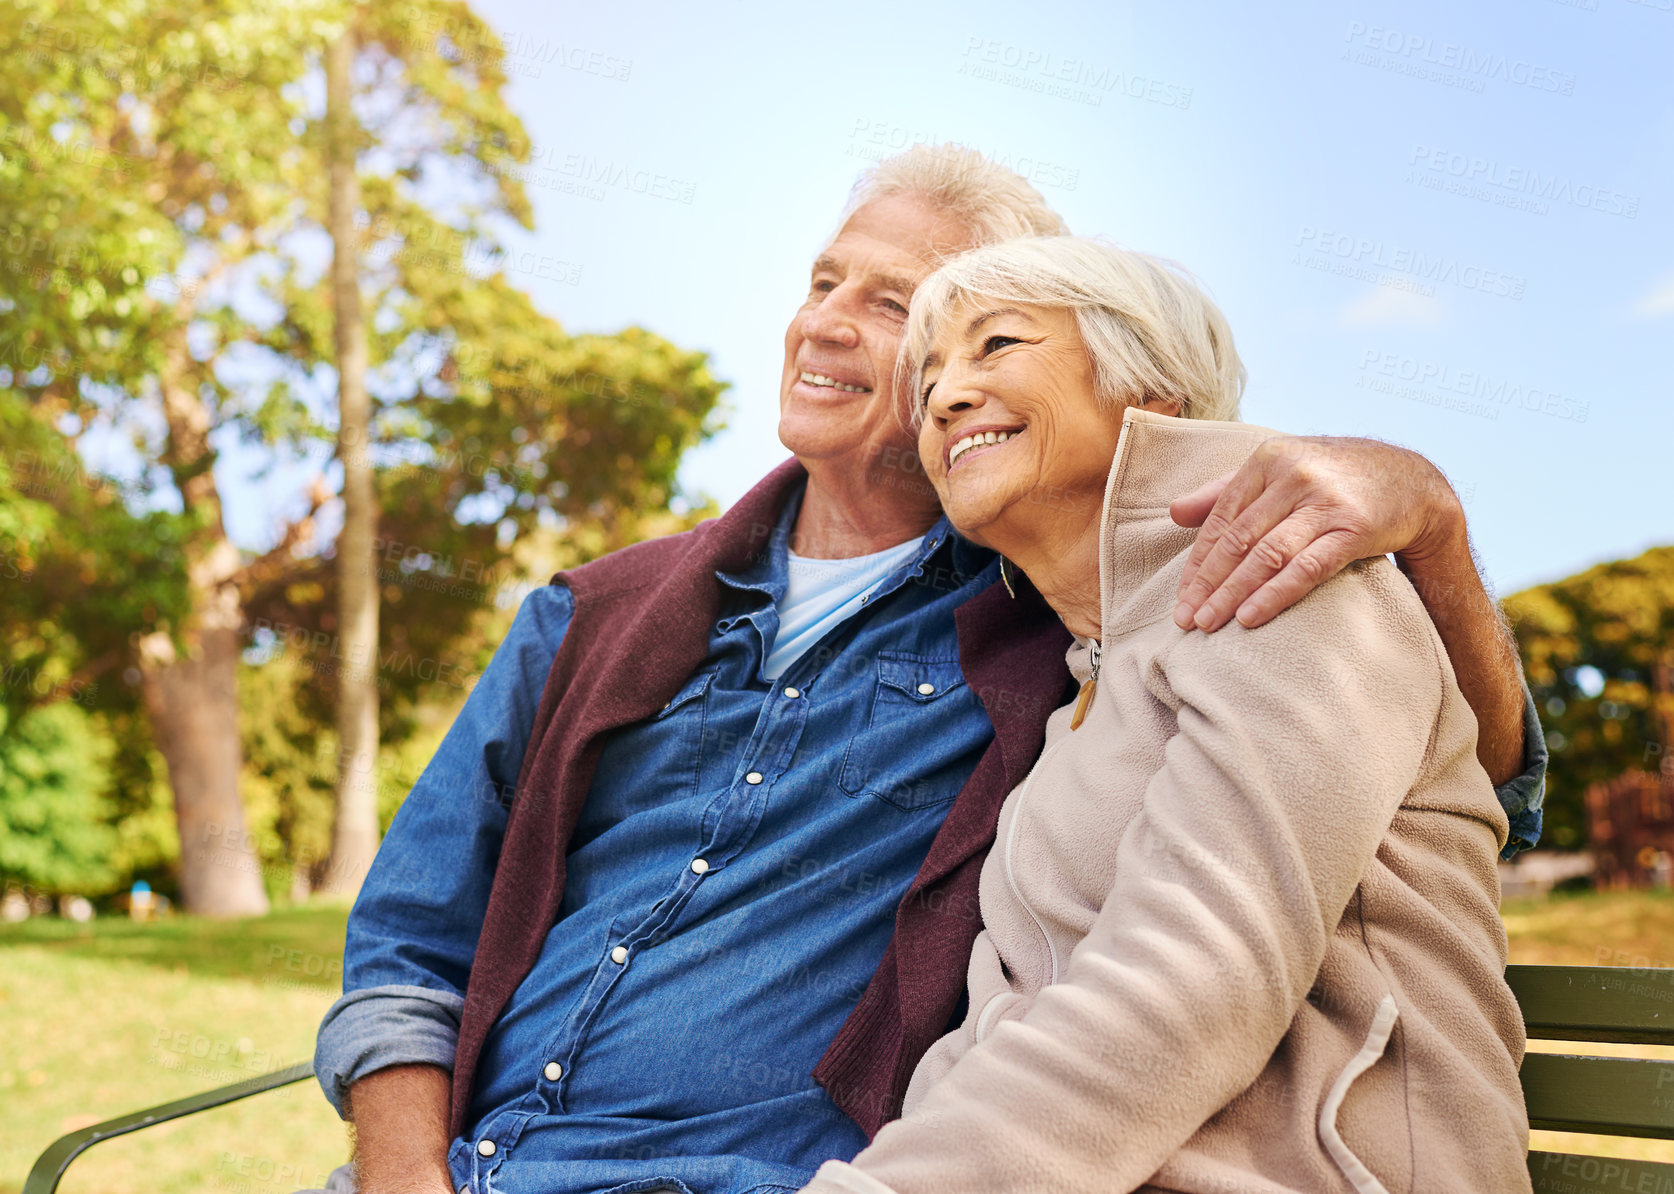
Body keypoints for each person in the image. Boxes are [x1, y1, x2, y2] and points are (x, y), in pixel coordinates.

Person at [310, 147, 1545, 1194]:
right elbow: (410, 944)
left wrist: (1427, 516)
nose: (836, 326)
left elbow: (1464, 793)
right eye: (823, 282)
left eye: (918, 312)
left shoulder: (1082, 624)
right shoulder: (599, 613)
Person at [800, 235, 1529, 1194]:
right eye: (931, 375)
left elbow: (1199, 976)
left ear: (1151, 390)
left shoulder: (1281, 570)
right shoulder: (1072, 693)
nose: (944, 396)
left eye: (999, 345)